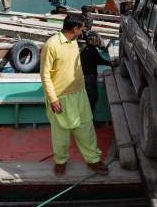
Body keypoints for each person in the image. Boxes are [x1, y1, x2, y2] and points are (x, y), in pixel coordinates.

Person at [40, 13, 108, 176]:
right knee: (60, 134)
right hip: (60, 97)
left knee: (86, 128)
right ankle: (60, 161)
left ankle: (93, 159)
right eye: (82, 27)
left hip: (79, 93)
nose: (84, 30)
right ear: (75, 29)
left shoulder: (74, 42)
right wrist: (53, 98)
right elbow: (45, 74)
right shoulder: (52, 45)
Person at [81, 32, 116, 119]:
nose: (96, 42)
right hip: (90, 79)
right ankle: (90, 121)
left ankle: (89, 120)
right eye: (95, 41)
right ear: (91, 41)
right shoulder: (93, 50)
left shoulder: (84, 51)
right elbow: (100, 61)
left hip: (84, 78)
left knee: (89, 100)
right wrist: (111, 64)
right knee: (92, 99)